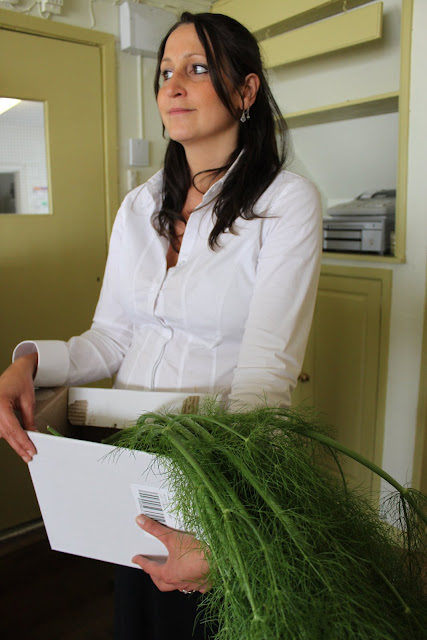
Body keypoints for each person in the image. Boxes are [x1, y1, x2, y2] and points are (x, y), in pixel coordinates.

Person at [0, 11, 322, 639]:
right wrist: (29, 361)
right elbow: (113, 338)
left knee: (202, 620)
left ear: (247, 91)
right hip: (131, 451)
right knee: (140, 615)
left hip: (220, 465)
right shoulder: (140, 206)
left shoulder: (286, 203)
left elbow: (266, 372)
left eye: (198, 69)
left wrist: (221, 520)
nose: (173, 86)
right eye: (165, 72)